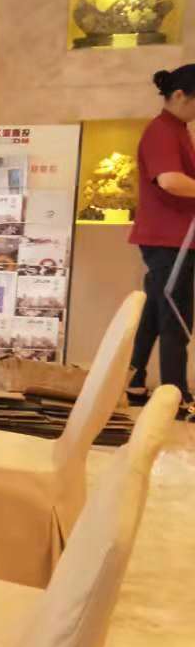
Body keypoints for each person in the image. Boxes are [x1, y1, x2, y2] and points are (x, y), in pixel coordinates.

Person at [127, 64, 195, 419]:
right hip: (169, 239)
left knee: (156, 311)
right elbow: (169, 180)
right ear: (180, 95)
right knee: (176, 317)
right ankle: (176, 397)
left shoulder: (177, 129)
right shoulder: (161, 131)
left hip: (174, 237)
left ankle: (134, 381)